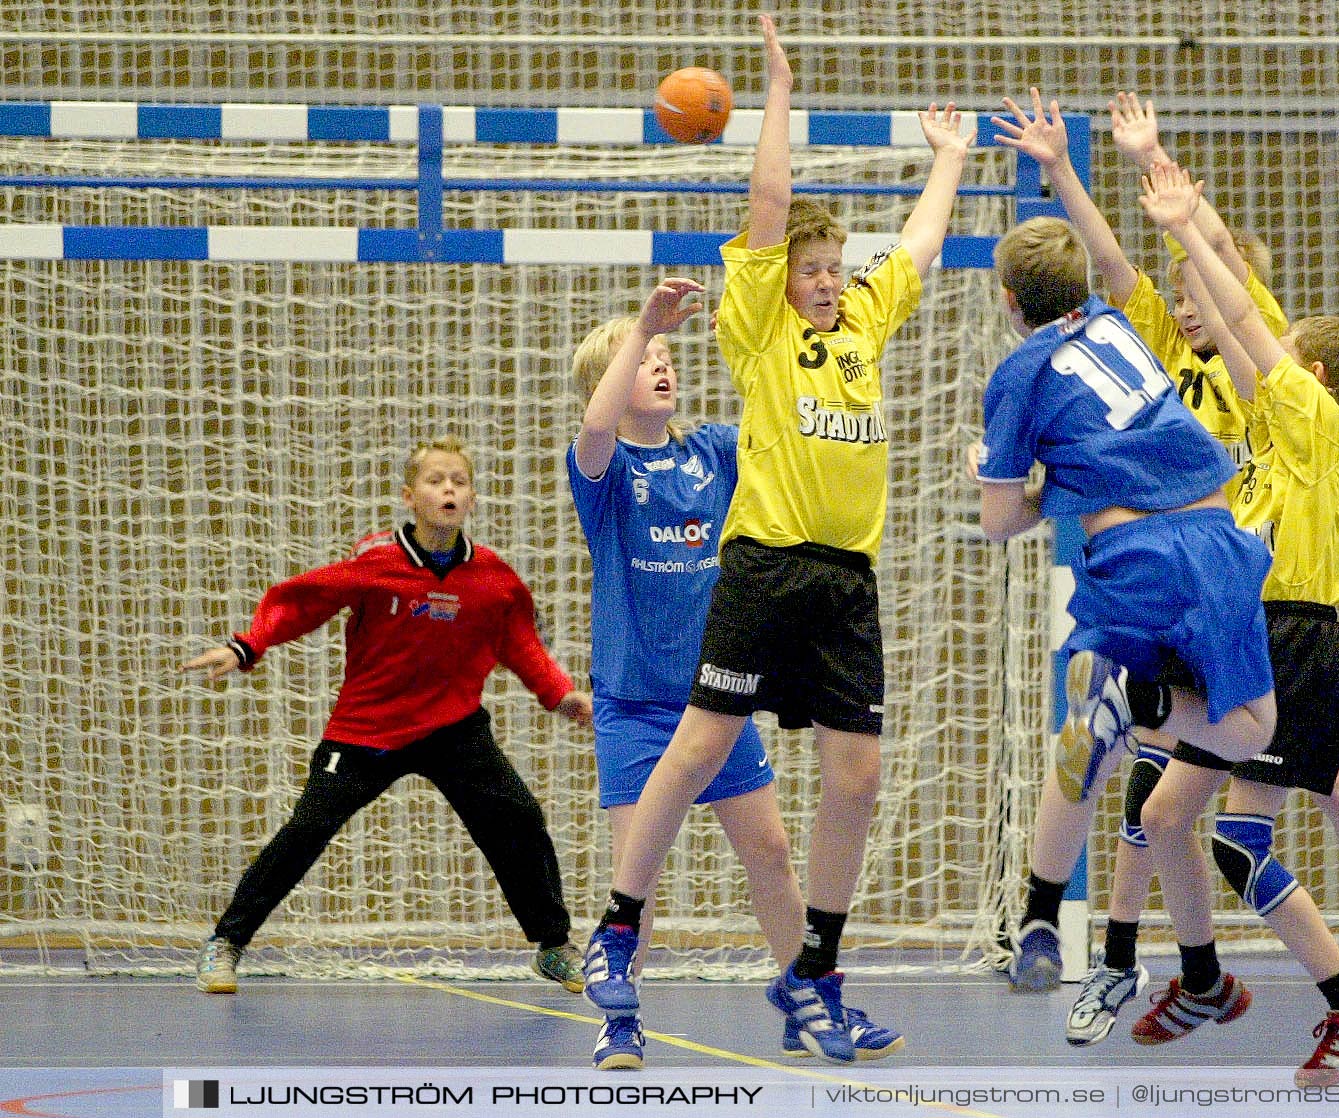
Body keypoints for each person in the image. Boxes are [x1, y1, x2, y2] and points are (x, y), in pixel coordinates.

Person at [1005, 89, 1339, 1045]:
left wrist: (1187, 209)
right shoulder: (1160, 346)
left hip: (1266, 607)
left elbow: (1236, 293)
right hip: (1194, 586)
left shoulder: (1282, 386)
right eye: (1188, 295)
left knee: (1253, 796)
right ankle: (1149, 963)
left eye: (1207, 291)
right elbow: (1117, 266)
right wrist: (1069, 174)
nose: (1196, 306)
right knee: (1148, 786)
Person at [580, 13, 971, 1063]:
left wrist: (949, 159)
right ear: (783, 277)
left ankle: (817, 973)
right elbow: (765, 203)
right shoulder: (759, 326)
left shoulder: (866, 326)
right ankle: (617, 924)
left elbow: (922, 244)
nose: (828, 278)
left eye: (836, 266)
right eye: (812, 267)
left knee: (856, 776)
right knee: (700, 740)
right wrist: (777, 95)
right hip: (764, 561)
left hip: (847, 578)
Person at [567, 277, 903, 1068]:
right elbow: (593, 424)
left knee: (773, 851)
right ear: (608, 382)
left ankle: (805, 994)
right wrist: (645, 320)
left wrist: (775, 320)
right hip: (635, 708)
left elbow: (785, 423)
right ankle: (620, 1017)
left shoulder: (714, 452)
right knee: (634, 872)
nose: (660, 363)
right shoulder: (606, 470)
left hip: (716, 704)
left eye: (665, 354)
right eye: (640, 357)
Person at [1129, 160, 1339, 1084]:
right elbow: (1249, 321)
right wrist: (1189, 218)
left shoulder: (1327, 430)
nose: (1262, 360)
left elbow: (1245, 316)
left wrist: (1184, 224)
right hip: (1253, 640)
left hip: (1299, 644)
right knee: (1164, 813)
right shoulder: (1283, 444)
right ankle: (1204, 980)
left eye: (1285, 355)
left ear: (1314, 373)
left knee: (1237, 844)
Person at [180, 436, 592, 996]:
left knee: (517, 817)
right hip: (367, 731)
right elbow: (301, 601)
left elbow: (520, 645)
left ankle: (552, 946)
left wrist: (561, 695)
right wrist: (247, 645)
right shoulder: (375, 563)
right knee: (306, 830)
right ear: (409, 497)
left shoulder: (495, 579)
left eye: (459, 482)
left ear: (470, 499)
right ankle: (226, 943)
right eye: (435, 481)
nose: (448, 489)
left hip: (454, 730)